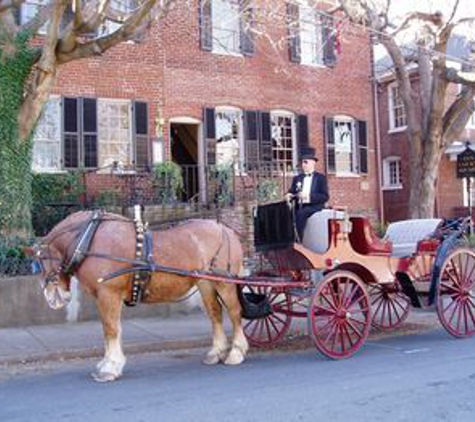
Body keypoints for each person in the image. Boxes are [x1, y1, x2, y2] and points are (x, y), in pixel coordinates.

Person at [285, 152, 329, 241]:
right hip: (299, 206)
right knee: (286, 214)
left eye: (306, 162)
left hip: (314, 206)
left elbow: (325, 196)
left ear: (313, 163)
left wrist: (308, 196)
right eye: (302, 163)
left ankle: (298, 241)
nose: (303, 165)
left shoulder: (320, 178)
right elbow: (292, 191)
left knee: (301, 214)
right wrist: (288, 195)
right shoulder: (297, 178)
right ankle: (286, 242)